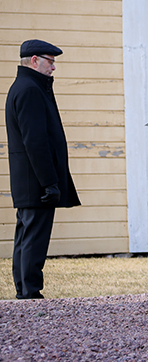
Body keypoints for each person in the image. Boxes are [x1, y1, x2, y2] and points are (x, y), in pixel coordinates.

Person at [6, 39, 81, 299]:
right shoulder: (29, 90)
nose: (54, 68)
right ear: (35, 61)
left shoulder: (27, 87)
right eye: (51, 61)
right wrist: (50, 182)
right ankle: (29, 292)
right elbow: (35, 141)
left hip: (30, 180)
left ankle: (24, 289)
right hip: (36, 181)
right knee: (34, 238)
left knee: (27, 235)